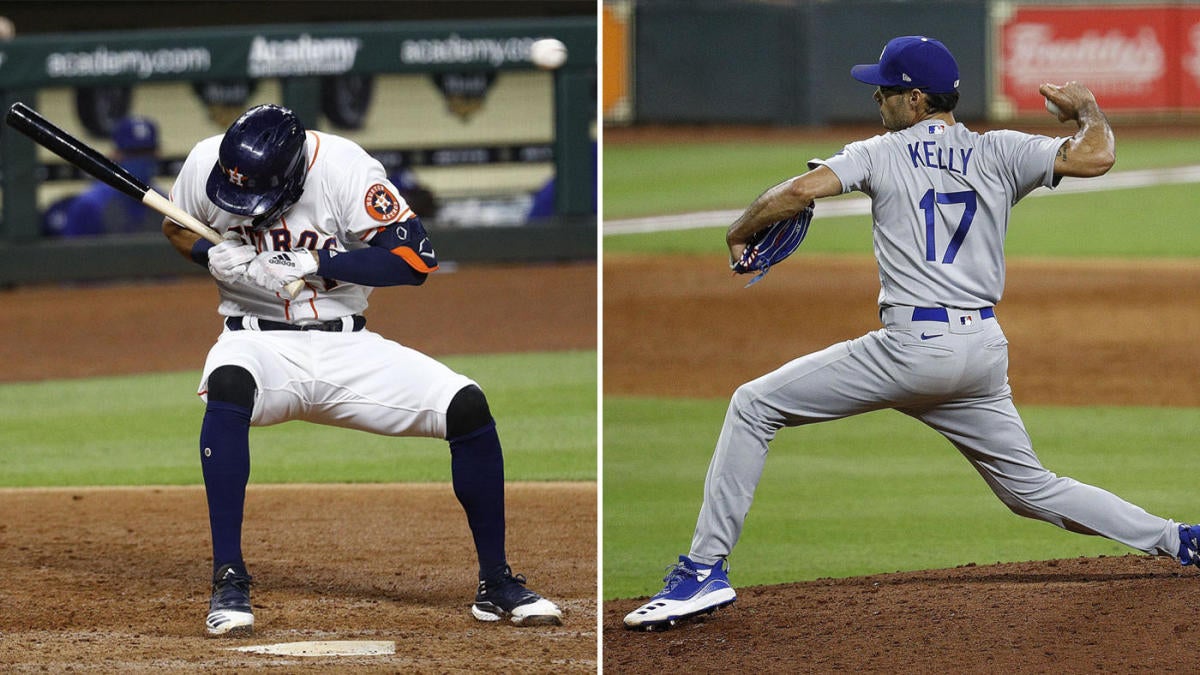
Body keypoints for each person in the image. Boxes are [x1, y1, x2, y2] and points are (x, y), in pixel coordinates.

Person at [623, 35, 1199, 630]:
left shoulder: (880, 152)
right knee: (1032, 490)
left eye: (887, 88)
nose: (877, 96)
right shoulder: (1000, 149)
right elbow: (1096, 156)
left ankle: (701, 572)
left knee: (752, 405)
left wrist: (739, 232)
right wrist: (1087, 109)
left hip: (910, 350)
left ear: (916, 99)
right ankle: (1180, 539)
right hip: (981, 353)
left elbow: (796, 191)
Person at [163, 104, 562, 636]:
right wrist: (207, 257)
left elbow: (415, 260)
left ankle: (496, 583)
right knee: (228, 383)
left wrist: (317, 263)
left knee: (468, 405)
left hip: (348, 347)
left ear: (292, 174)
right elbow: (176, 225)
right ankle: (229, 579)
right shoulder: (208, 161)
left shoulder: (345, 169)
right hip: (254, 342)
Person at [55, 115, 161, 236]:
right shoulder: (90, 205)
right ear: (115, 155)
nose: (142, 159)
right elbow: (72, 253)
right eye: (133, 153)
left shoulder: (165, 205)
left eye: (147, 153)